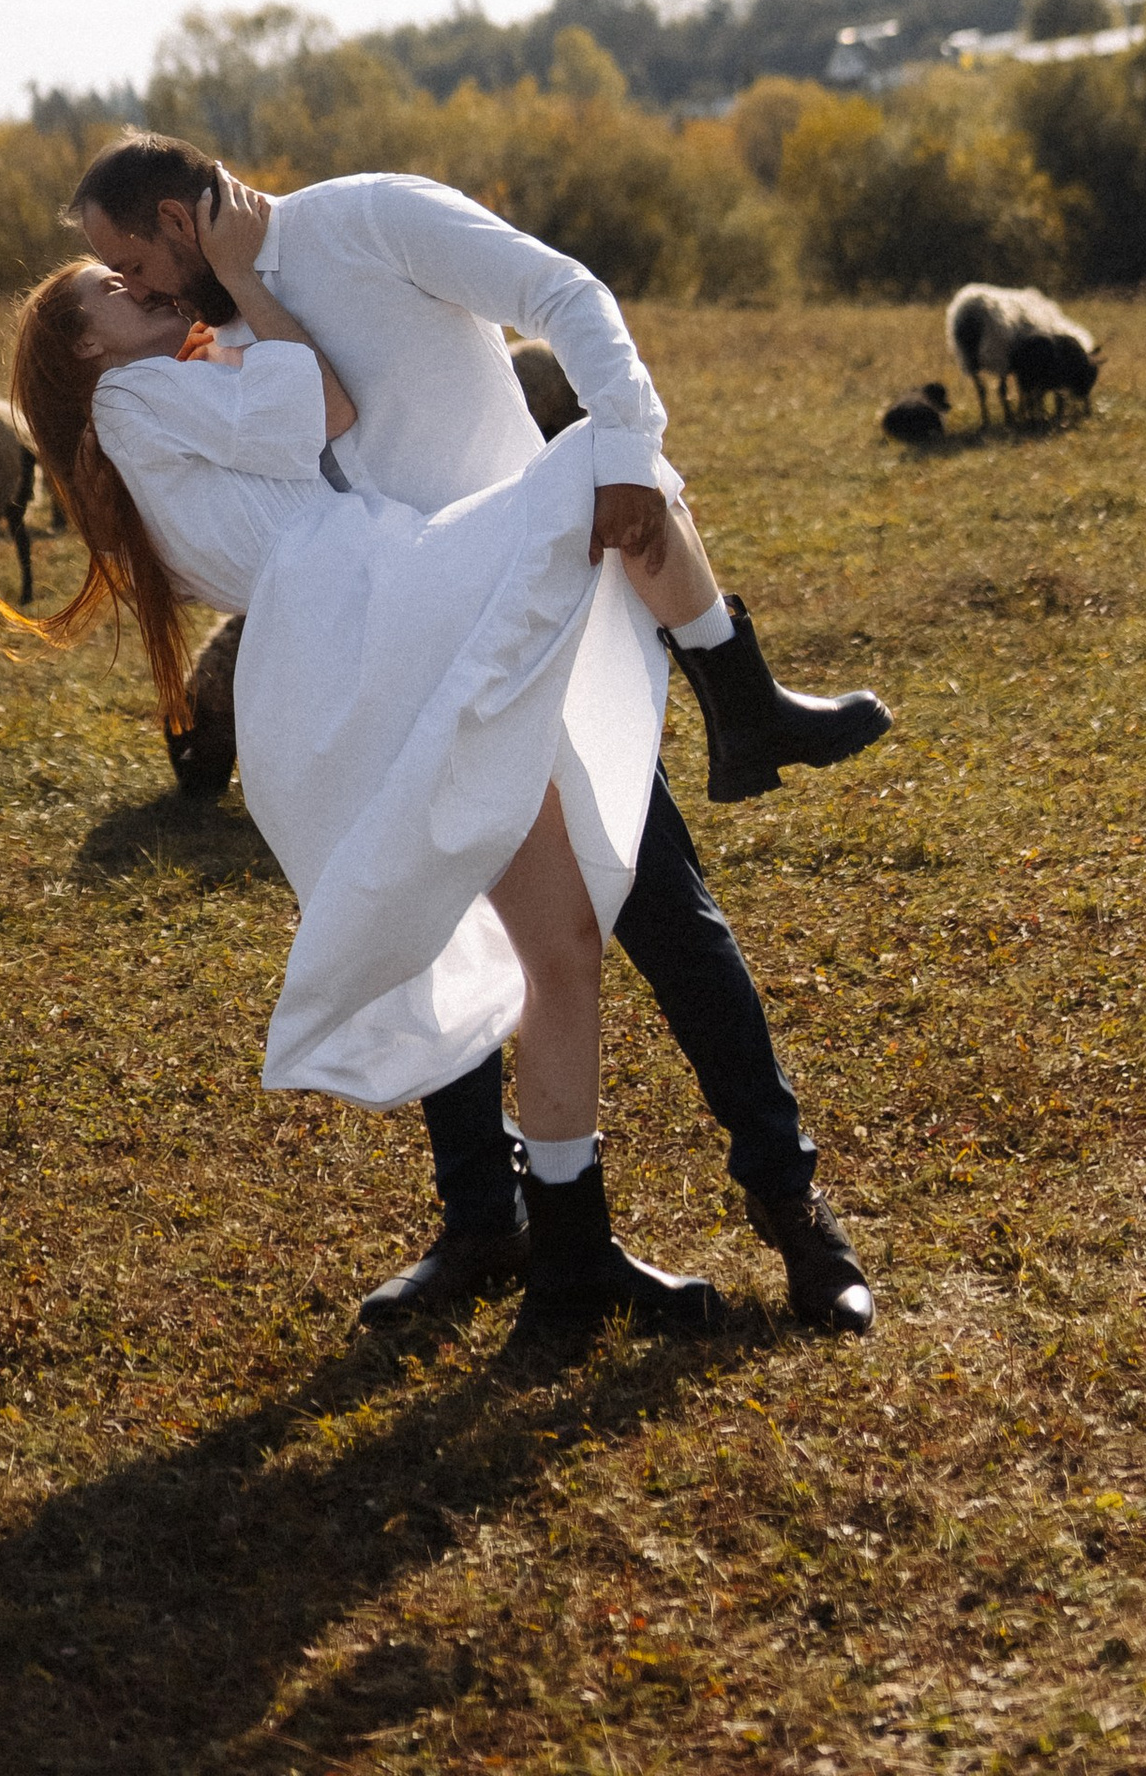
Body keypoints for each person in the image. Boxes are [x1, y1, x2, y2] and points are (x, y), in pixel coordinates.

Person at [66, 132, 889, 1338]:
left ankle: (796, 1217)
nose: (131, 286)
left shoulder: (368, 221)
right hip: (407, 656)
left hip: (526, 615)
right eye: (111, 282)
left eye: (127, 259)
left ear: (181, 223)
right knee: (434, 926)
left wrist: (624, 438)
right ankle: (492, 1220)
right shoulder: (222, 340)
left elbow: (566, 294)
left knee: (666, 919)